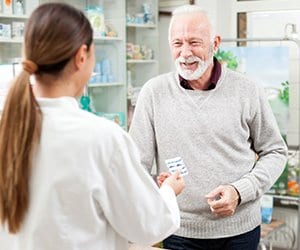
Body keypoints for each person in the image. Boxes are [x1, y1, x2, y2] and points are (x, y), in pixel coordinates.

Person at [0, 3, 185, 250]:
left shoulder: (8, 131)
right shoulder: (102, 139)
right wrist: (169, 191)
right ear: (81, 56)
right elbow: (149, 225)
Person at [129, 4, 288, 250]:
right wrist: (159, 187)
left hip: (241, 231)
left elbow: (276, 152)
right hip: (179, 230)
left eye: (194, 42)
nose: (185, 53)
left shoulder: (247, 90)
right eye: (177, 43)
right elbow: (135, 165)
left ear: (215, 43)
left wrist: (239, 191)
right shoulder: (153, 93)